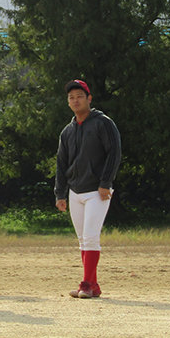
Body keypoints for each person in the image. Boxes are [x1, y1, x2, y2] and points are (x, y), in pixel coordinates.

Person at [54, 79, 121, 299]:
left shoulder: (103, 123)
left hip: (96, 190)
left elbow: (114, 153)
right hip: (75, 190)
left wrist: (105, 183)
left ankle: (85, 284)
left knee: (91, 237)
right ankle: (94, 285)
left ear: (89, 99)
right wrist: (60, 194)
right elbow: (62, 163)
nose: (75, 100)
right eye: (71, 97)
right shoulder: (67, 131)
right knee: (83, 239)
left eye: (79, 96)